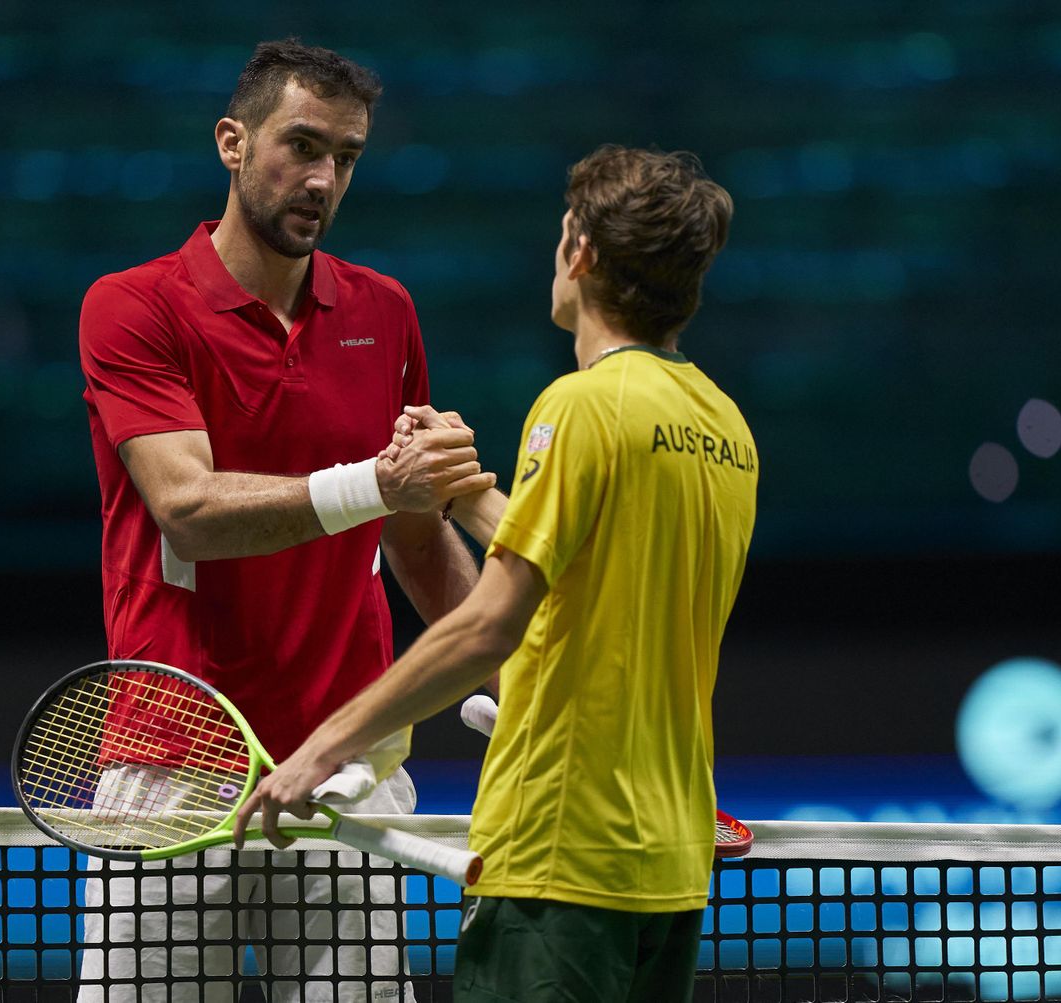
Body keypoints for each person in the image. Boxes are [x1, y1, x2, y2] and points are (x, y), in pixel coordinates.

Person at [236, 144, 753, 1003]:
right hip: (667, 866)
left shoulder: (581, 404)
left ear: (580, 252)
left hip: (559, 857)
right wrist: (465, 492)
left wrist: (325, 744)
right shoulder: (723, 424)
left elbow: (488, 625)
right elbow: (596, 567)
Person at [76, 39, 493, 1003]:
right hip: (176, 770)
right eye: (301, 146)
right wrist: (379, 485)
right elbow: (188, 511)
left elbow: (418, 536)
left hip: (346, 764)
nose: (322, 179)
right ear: (232, 140)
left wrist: (513, 670)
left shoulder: (383, 311)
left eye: (345, 157)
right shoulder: (133, 308)